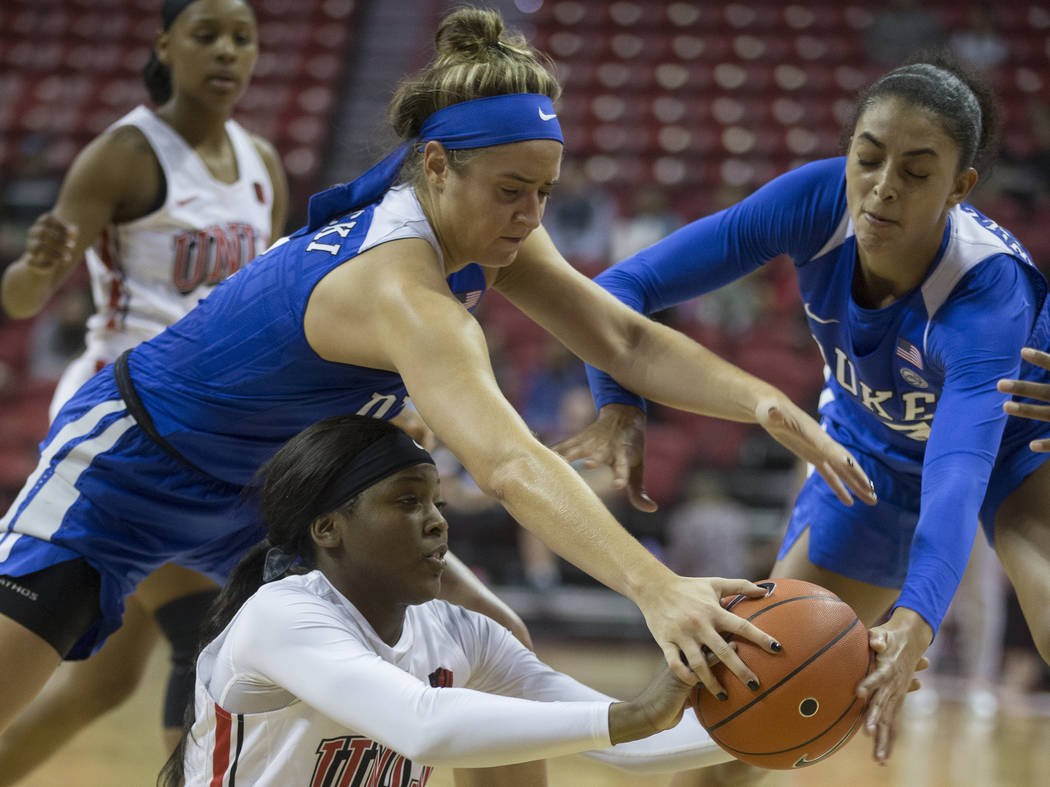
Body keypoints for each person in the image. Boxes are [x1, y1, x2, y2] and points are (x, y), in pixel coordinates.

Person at [0, 12, 877, 786]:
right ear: (434, 168)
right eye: (510, 191)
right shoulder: (403, 289)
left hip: (268, 496)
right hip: (132, 466)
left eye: (544, 191)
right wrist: (656, 587)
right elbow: (507, 461)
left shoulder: (482, 224)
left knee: (493, 641)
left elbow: (626, 339)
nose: (530, 215)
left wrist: (765, 402)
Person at [557, 51, 1050, 778]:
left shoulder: (986, 297)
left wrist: (916, 618)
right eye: (868, 158)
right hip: (870, 451)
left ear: (960, 187)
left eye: (916, 172)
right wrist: (618, 399)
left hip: (1008, 443)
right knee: (743, 706)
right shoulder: (816, 202)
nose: (882, 188)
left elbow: (958, 472)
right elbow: (621, 288)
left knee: (1039, 570)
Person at [0, 0, 288, 779]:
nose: (227, 52)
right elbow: (25, 299)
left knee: (102, 685)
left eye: (242, 37)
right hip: (128, 422)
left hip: (212, 426)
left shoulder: (262, 161)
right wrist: (34, 265)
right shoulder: (125, 153)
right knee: (210, 636)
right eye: (206, 35)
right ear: (166, 46)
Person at [157, 413, 742, 786]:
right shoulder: (282, 615)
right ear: (328, 527)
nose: (437, 521)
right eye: (407, 501)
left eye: (436, 501)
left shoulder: (463, 635)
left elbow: (636, 747)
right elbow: (423, 726)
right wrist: (635, 712)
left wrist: (795, 715)